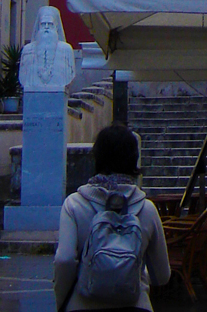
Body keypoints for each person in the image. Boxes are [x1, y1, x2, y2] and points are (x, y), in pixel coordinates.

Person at [54, 123, 170, 312]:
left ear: (97, 156)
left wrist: (62, 301)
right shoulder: (147, 209)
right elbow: (162, 276)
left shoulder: (73, 204)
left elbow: (64, 260)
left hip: (82, 305)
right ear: (134, 159)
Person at [19, 6, 76, 92]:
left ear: (56, 27)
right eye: (43, 24)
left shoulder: (66, 50)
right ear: (38, 26)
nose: (46, 28)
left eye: (50, 24)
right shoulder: (27, 50)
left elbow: (71, 73)